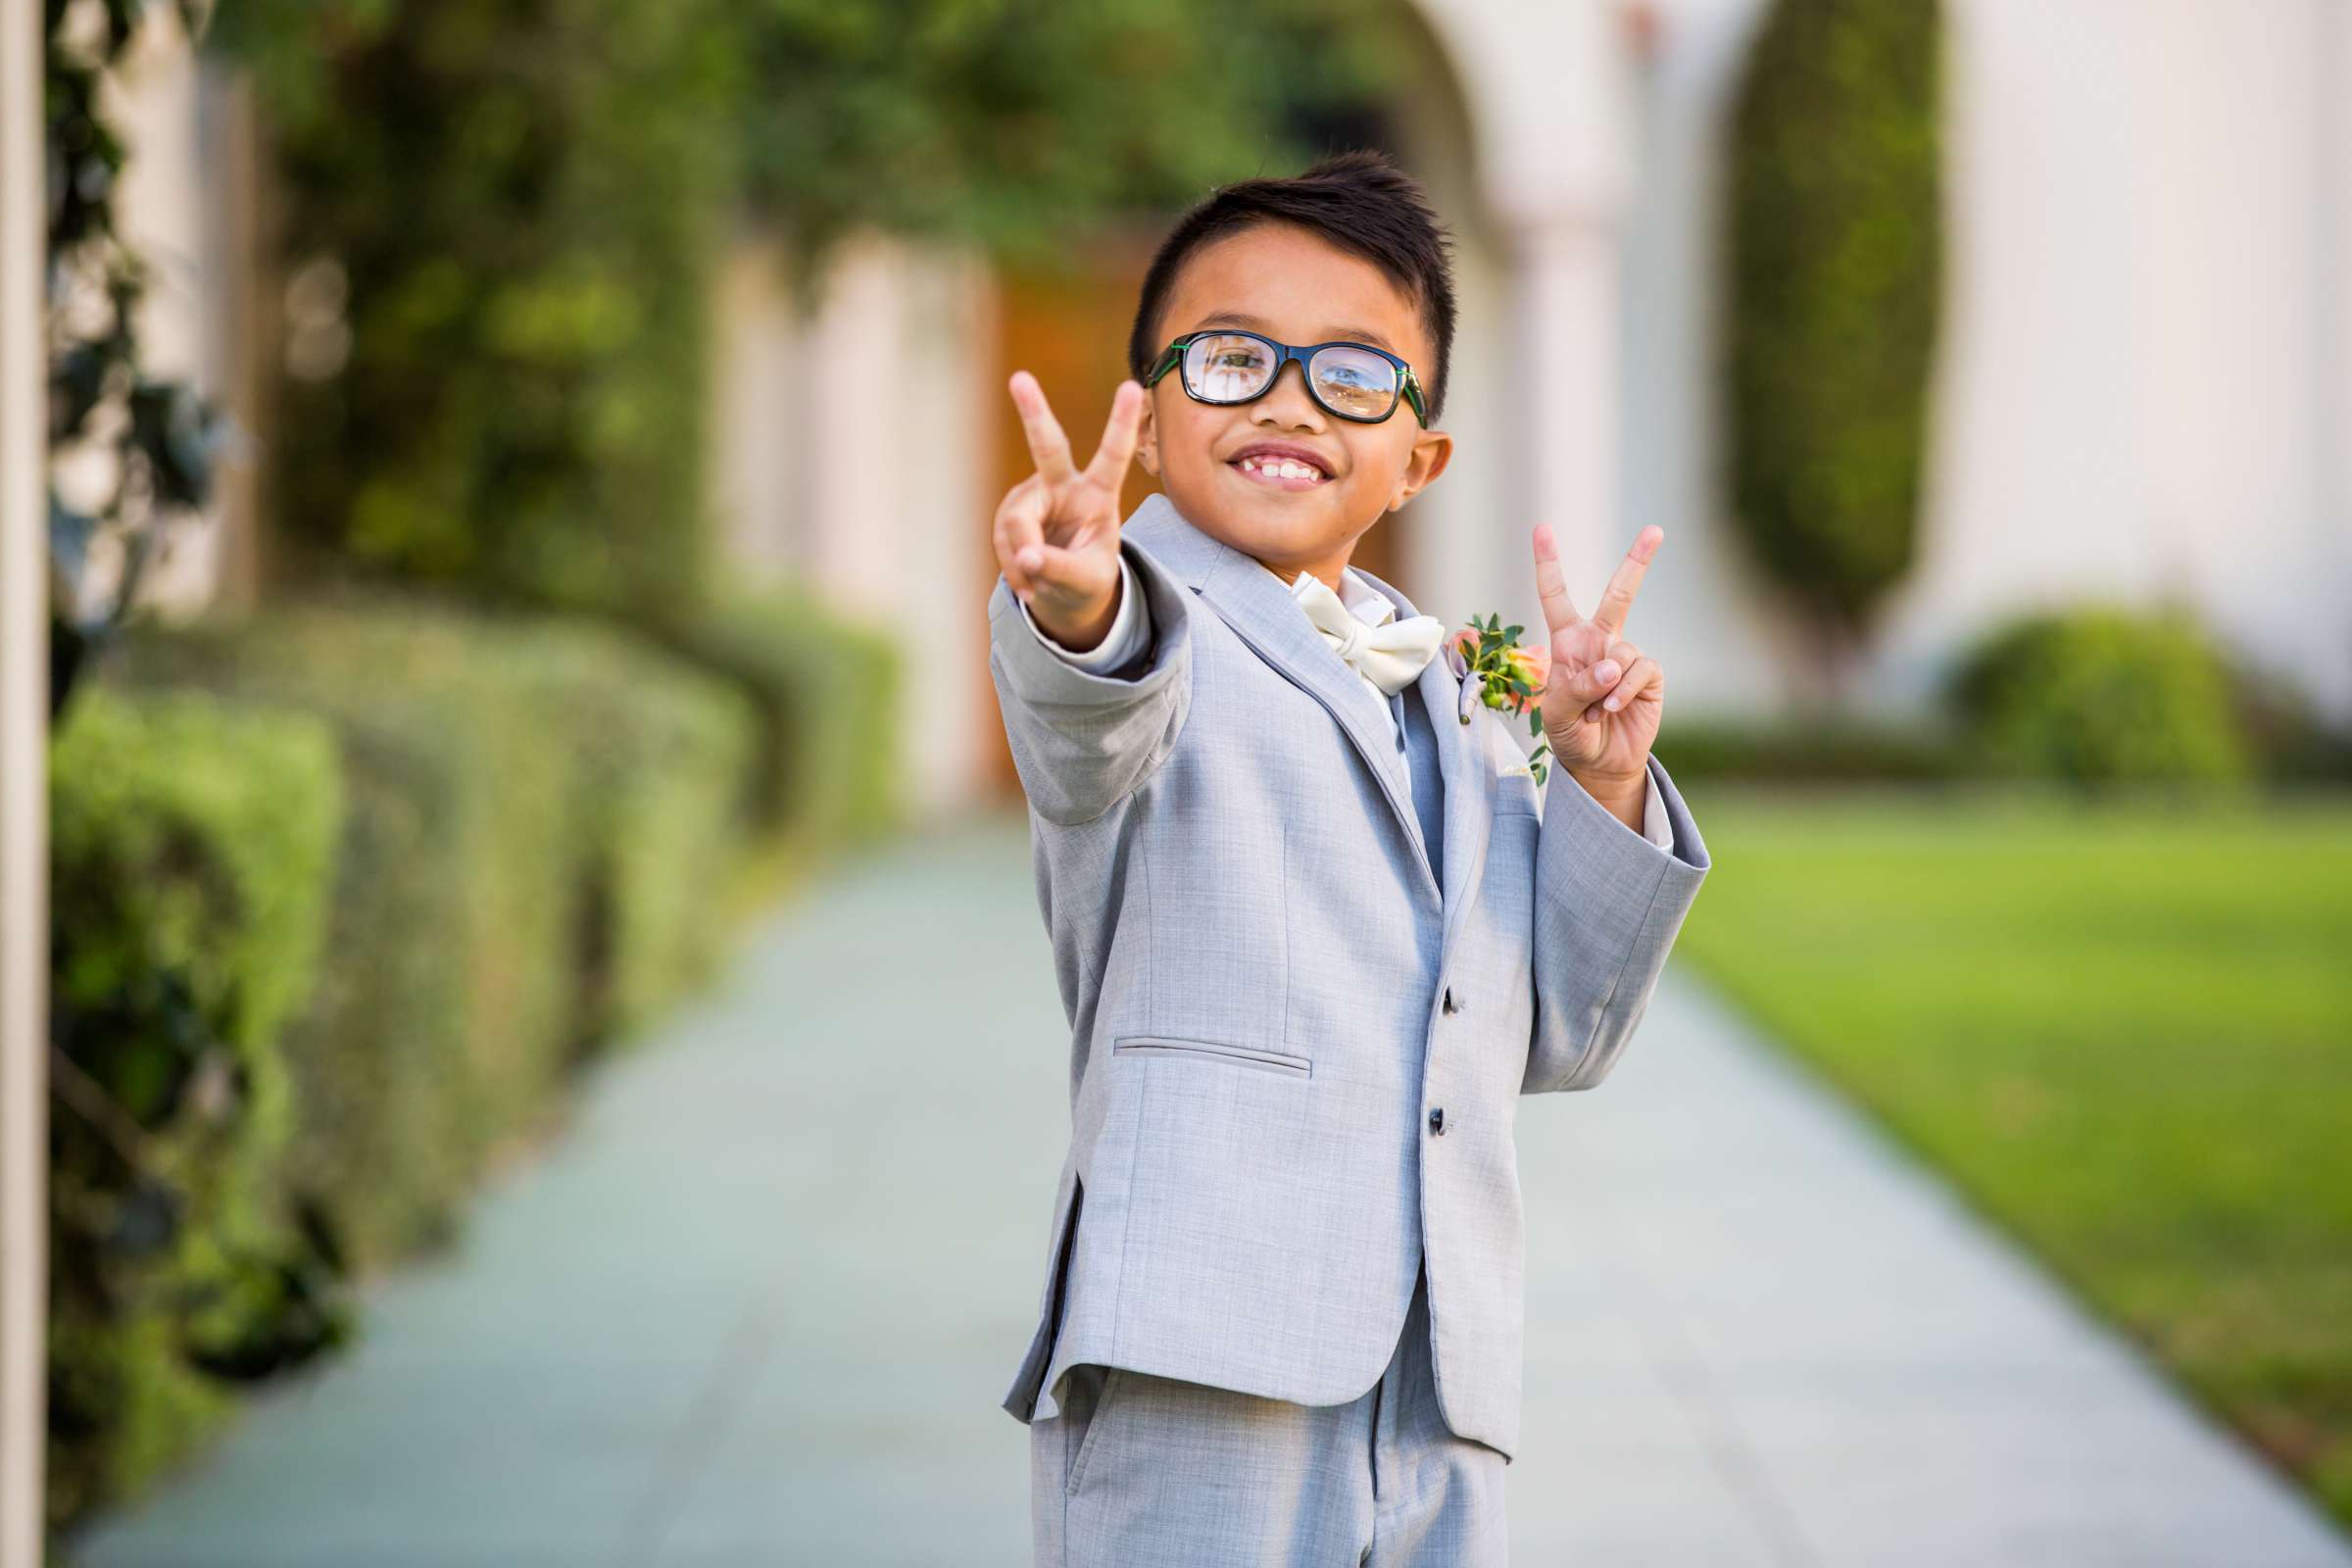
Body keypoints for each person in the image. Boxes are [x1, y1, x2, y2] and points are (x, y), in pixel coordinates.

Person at [986, 148, 1711, 1566]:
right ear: (1148, 403)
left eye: (1355, 377)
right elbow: (1092, 724)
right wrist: (1077, 609)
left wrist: (1604, 784)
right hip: (1205, 1355)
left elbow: (1551, 1031)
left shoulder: (1448, 678)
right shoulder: (1144, 624)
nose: (1290, 404)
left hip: (1438, 1380)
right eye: (1234, 357)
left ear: (1416, 458)